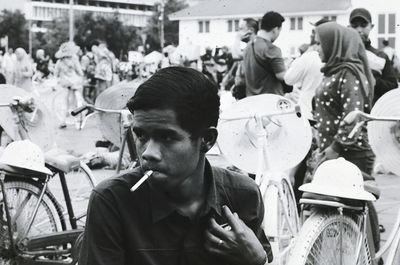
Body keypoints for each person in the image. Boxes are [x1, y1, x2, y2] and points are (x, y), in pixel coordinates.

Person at [79, 66, 273, 265]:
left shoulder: (242, 196)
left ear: (207, 139)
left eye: (167, 137)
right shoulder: (113, 201)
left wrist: (257, 260)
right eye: (141, 135)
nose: (148, 153)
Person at [313, 21, 381, 258]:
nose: (317, 48)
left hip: (350, 152)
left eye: (320, 43)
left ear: (334, 45)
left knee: (359, 212)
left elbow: (352, 118)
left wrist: (334, 147)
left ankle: (372, 258)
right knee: (346, 215)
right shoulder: (333, 71)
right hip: (334, 150)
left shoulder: (348, 73)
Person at [349, 8, 398, 104]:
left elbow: (393, 87)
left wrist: (374, 81)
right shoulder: (341, 54)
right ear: (349, 27)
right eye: (355, 25)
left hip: (372, 112)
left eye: (363, 25)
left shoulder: (381, 56)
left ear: (371, 26)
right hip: (347, 113)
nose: (359, 29)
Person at [242, 11, 288, 97]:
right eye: (279, 31)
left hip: (251, 101)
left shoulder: (248, 47)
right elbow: (283, 76)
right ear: (275, 29)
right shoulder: (272, 49)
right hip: (270, 102)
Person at [54, 42, 84, 129]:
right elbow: (80, 72)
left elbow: (56, 74)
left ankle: (63, 121)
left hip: (65, 83)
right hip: (75, 83)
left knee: (64, 102)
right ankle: (78, 122)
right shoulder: (74, 60)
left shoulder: (59, 62)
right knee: (77, 102)